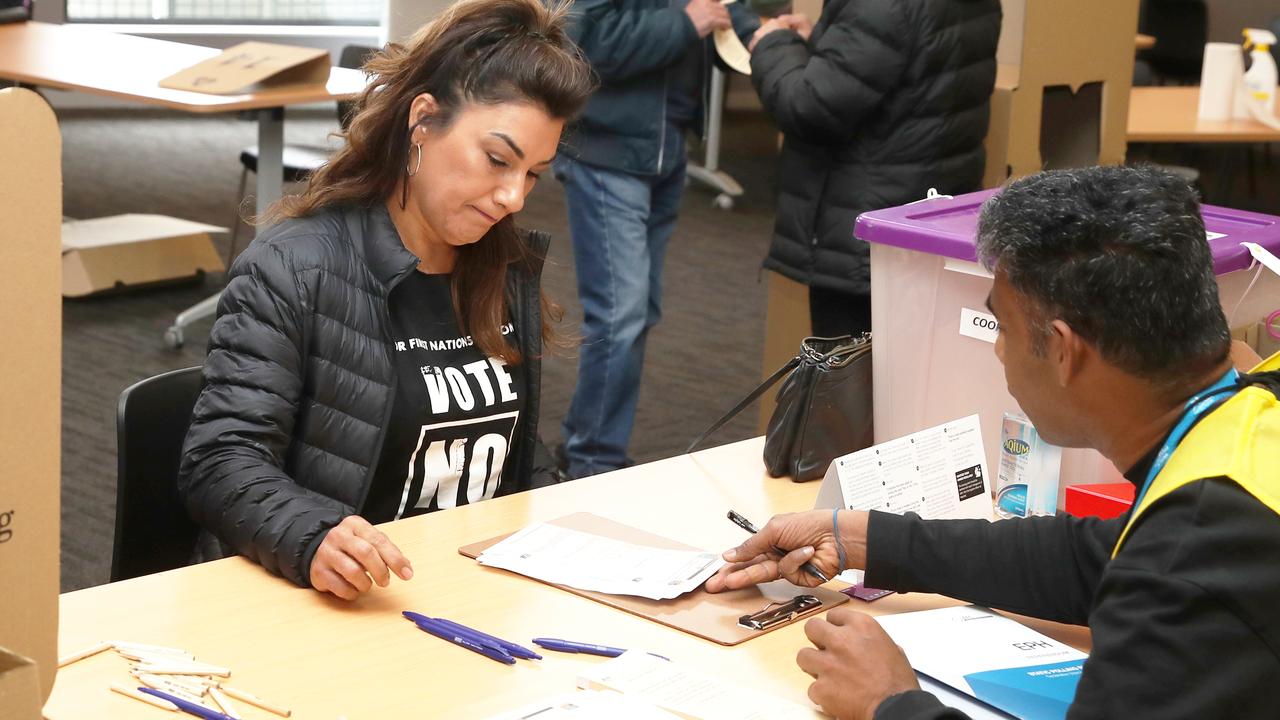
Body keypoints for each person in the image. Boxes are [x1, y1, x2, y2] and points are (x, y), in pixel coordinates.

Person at [707, 166, 1280, 719]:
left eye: (1001, 327)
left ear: (1063, 350)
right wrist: (861, 538)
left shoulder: (1196, 553)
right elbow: (1106, 558)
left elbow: (1158, 568)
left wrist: (889, 702)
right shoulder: (1249, 421)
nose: (999, 350)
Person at [177, 0, 595, 601]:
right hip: (334, 601)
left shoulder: (501, 266)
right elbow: (219, 461)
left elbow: (509, 459)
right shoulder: (296, 265)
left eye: (533, 173)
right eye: (498, 160)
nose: (512, 197)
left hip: (462, 594)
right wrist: (313, 534)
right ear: (422, 122)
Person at [554, 0, 759, 478]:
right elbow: (583, 43)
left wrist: (767, 35)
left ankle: (589, 441)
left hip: (666, 151)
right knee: (621, 312)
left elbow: (725, 9)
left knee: (638, 310)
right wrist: (686, 23)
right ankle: (593, 461)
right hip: (606, 153)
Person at [746, 0, 1000, 337]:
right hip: (925, 219)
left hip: (864, 232)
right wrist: (827, 44)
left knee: (849, 380)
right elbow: (905, 64)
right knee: (908, 373)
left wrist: (772, 44)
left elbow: (809, 107)